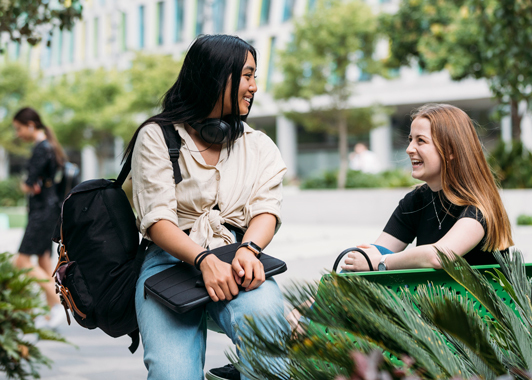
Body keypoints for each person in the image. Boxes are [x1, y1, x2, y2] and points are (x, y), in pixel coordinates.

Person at [126, 35, 288, 380]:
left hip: (238, 256)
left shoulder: (259, 145)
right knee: (173, 374)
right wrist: (202, 259)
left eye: (255, 76)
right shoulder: (157, 136)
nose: (254, 86)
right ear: (216, 76)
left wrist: (250, 248)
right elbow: (157, 220)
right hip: (169, 261)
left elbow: (266, 209)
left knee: (272, 348)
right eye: (247, 76)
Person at [342, 103, 513, 272]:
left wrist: (381, 261)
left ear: (451, 150)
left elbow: (439, 257)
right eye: (410, 140)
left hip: (477, 299)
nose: (409, 149)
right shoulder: (416, 200)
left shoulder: (479, 208)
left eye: (421, 141)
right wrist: (367, 260)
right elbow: (375, 253)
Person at [12, 107, 67, 328]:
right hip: (50, 210)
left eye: (19, 128)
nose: (18, 134)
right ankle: (49, 314)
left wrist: (26, 186)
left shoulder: (41, 148)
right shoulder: (50, 146)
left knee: (22, 261)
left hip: (41, 212)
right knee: (44, 262)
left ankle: (57, 303)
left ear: (31, 125)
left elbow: (28, 183)